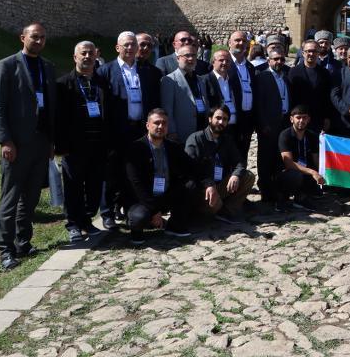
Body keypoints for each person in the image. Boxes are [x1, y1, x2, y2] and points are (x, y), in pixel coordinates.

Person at [0, 22, 57, 270]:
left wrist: (51, 141)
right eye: (34, 37)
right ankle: (6, 250)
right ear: (23, 38)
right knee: (11, 197)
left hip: (41, 141)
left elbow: (51, 106)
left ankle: (23, 242)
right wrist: (5, 139)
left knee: (31, 198)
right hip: (17, 143)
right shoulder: (7, 65)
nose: (39, 41)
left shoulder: (47, 67)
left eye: (42, 38)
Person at [98, 31, 162, 230]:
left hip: (139, 130)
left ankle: (130, 209)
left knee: (135, 172)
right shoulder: (106, 71)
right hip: (116, 130)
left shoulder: (145, 71)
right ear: (117, 47)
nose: (130, 48)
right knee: (111, 172)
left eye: (133, 44)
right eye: (126, 44)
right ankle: (107, 212)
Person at [54, 41, 109, 242]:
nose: (87, 56)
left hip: (98, 144)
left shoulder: (103, 82)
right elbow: (58, 118)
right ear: (75, 57)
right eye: (83, 53)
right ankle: (73, 224)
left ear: (96, 56)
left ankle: (86, 220)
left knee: (94, 187)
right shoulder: (63, 84)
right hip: (74, 145)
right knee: (73, 187)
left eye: (91, 53)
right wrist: (60, 145)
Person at [124, 109, 194, 244]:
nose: (161, 126)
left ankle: (174, 225)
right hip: (142, 199)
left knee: (190, 185)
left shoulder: (173, 147)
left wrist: (209, 184)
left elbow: (191, 167)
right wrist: (154, 211)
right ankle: (137, 231)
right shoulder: (135, 148)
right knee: (139, 217)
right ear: (147, 125)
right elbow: (137, 184)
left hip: (165, 194)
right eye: (156, 123)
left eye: (164, 123)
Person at [184, 105, 255, 222]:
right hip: (203, 188)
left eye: (225, 119)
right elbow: (191, 168)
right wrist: (208, 184)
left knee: (248, 176)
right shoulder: (196, 138)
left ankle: (226, 212)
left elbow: (239, 161)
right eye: (218, 118)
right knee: (213, 205)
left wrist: (236, 175)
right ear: (210, 119)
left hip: (220, 185)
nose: (221, 122)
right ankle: (208, 211)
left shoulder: (227, 140)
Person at [254, 48, 293, 203]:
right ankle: (265, 190)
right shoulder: (262, 77)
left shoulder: (286, 77)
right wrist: (262, 124)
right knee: (265, 158)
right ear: (268, 60)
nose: (279, 62)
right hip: (268, 125)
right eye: (276, 59)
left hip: (284, 123)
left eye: (282, 59)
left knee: (279, 157)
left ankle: (278, 189)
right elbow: (258, 103)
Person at [276, 105, 326, 211]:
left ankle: (301, 197)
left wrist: (320, 173)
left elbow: (316, 159)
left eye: (304, 118)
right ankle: (282, 199)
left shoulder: (312, 135)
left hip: (305, 171)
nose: (301, 121)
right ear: (291, 119)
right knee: (295, 175)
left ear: (308, 119)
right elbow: (288, 163)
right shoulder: (285, 135)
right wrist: (312, 172)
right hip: (287, 172)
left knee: (318, 192)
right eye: (298, 117)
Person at [204, 49, 252, 156]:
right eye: (221, 60)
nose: (225, 63)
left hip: (235, 127)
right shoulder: (206, 80)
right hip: (218, 128)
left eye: (227, 60)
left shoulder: (234, 80)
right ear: (213, 62)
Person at [160, 46, 210, 143]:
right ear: (178, 58)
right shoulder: (169, 80)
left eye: (193, 55)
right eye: (187, 55)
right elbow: (167, 109)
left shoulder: (200, 80)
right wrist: (171, 131)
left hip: (202, 130)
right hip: (181, 133)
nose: (191, 58)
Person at [288, 39, 333, 132]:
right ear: (303, 53)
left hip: (318, 119)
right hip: (299, 120)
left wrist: (327, 117)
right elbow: (290, 96)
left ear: (318, 53)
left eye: (315, 51)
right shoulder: (293, 72)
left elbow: (328, 97)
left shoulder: (325, 73)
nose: (311, 54)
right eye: (309, 51)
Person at [226, 30, 257, 158]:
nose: (241, 43)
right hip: (229, 120)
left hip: (246, 120)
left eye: (244, 41)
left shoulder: (250, 67)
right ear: (229, 43)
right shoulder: (223, 63)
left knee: (242, 156)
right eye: (237, 40)